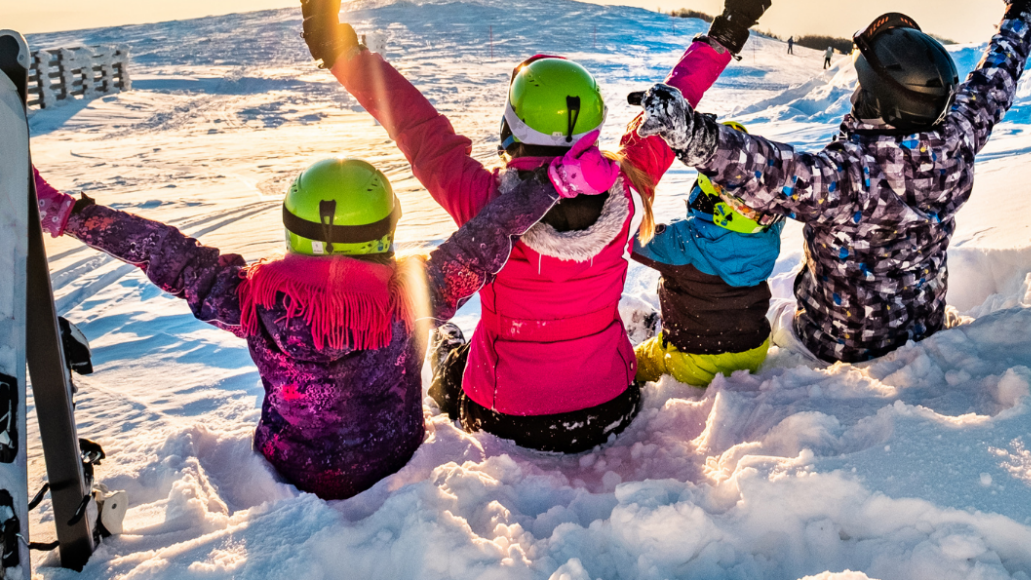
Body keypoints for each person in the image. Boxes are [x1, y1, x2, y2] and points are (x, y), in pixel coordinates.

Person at [291, 0, 771, 452]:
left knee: (448, 350)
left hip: (505, 416)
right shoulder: (627, 187)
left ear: (512, 125)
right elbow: (672, 108)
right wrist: (726, 31)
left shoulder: (484, 203)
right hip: (611, 404)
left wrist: (338, 48)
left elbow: (416, 126)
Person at [31, 155, 614, 499]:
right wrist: (552, 184)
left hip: (291, 468)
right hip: (393, 461)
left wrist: (68, 214)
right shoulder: (412, 296)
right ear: (385, 229)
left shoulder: (252, 298)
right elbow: (485, 239)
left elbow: (165, 252)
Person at [635, 0, 1031, 364]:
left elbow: (768, 170)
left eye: (863, 88)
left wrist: (691, 134)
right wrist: (1022, 13)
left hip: (835, 344)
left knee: (765, 322)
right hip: (922, 326)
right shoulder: (958, 137)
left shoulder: (850, 177)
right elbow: (995, 80)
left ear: (879, 102)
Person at [631, 122, 782, 386]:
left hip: (694, 360)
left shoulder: (681, 241)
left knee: (636, 362)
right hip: (754, 349)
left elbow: (633, 240)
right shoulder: (768, 235)